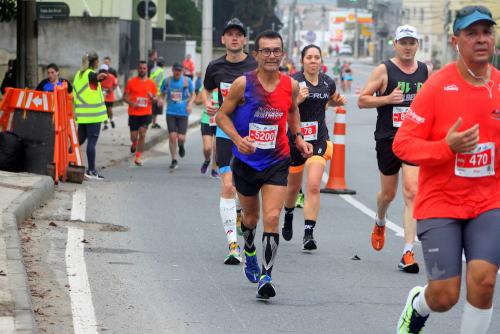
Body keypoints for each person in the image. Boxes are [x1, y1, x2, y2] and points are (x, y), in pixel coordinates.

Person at [393, 7, 499, 333]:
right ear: (456, 40)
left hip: (488, 201)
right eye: (471, 33)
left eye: (486, 32)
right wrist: (446, 148)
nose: (481, 39)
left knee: (482, 281)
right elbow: (403, 145)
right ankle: (418, 305)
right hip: (441, 202)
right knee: (444, 296)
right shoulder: (437, 87)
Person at [217, 30, 312, 299]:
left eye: (276, 51)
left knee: (272, 217)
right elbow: (222, 117)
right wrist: (237, 139)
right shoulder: (242, 84)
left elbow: (293, 111)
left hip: (277, 160)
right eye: (266, 51)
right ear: (256, 54)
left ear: (283, 54)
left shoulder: (290, 85)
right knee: (251, 219)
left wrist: (298, 137)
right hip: (246, 162)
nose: (271, 55)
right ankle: (249, 248)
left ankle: (266, 275)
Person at [357, 25, 430, 274]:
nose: (408, 47)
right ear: (395, 44)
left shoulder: (425, 70)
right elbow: (363, 99)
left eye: (412, 42)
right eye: (404, 42)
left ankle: (407, 252)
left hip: (414, 139)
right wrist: (387, 99)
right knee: (388, 195)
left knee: (412, 191)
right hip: (388, 138)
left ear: (417, 45)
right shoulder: (384, 70)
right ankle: (380, 220)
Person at [202, 17, 257, 265]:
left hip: (252, 134)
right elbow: (206, 89)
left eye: (239, 34)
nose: (234, 38)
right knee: (227, 187)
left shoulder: (255, 65)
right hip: (225, 132)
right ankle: (233, 246)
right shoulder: (215, 67)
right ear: (223, 39)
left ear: (244, 39)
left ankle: (246, 229)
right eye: (229, 34)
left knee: (247, 193)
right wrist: (207, 102)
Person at [282, 45, 346, 250]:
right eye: (309, 57)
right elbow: (282, 108)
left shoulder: (328, 81)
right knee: (292, 188)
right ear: (302, 61)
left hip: (319, 139)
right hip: (295, 139)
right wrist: (298, 99)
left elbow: (330, 101)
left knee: (313, 185)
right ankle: (289, 214)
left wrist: (338, 101)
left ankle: (309, 233)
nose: (313, 61)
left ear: (321, 60)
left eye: (317, 57)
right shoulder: (293, 81)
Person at [73, 51, 108, 180]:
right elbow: (96, 77)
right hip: (93, 116)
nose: (98, 63)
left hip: (83, 115)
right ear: (94, 62)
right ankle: (91, 170)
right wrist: (102, 76)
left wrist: (100, 77)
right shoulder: (91, 74)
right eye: (97, 61)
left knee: (78, 141)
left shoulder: (78, 74)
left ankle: (66, 159)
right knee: (91, 143)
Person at [122, 60, 157, 166]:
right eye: (140, 68)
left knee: (142, 134)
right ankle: (134, 143)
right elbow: (124, 97)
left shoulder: (151, 83)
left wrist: (152, 98)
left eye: (144, 68)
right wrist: (131, 103)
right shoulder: (131, 82)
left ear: (147, 70)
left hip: (146, 113)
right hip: (133, 113)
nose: (142, 70)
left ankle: (138, 157)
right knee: (134, 136)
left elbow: (156, 99)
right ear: (138, 69)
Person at [161, 63, 195, 169]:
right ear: (172, 70)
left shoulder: (187, 81)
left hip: (183, 113)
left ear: (182, 71)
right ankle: (174, 159)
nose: (177, 72)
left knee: (181, 137)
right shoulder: (167, 81)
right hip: (170, 112)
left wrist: (189, 104)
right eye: (176, 70)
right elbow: (162, 93)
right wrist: (160, 100)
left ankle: (181, 145)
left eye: (179, 71)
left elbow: (193, 94)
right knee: (172, 136)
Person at [195, 86, 219, 177]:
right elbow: (196, 101)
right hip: (207, 119)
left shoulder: (224, 85)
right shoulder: (206, 87)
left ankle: (214, 169)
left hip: (220, 120)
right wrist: (205, 98)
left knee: (217, 148)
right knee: (207, 148)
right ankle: (207, 160)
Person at [99, 64, 117, 130]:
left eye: (105, 71)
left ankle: (111, 120)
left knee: (109, 109)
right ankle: (105, 124)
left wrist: (111, 89)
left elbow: (115, 85)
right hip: (102, 96)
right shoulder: (99, 77)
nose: (104, 72)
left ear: (107, 71)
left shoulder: (112, 77)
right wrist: (101, 89)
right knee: (104, 111)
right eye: (102, 71)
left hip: (110, 96)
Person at [150, 56, 166, 129]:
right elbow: (159, 82)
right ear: (163, 64)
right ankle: (153, 122)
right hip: (157, 92)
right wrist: (160, 95)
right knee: (155, 109)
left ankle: (153, 122)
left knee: (152, 107)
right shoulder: (161, 71)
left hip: (151, 90)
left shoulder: (152, 70)